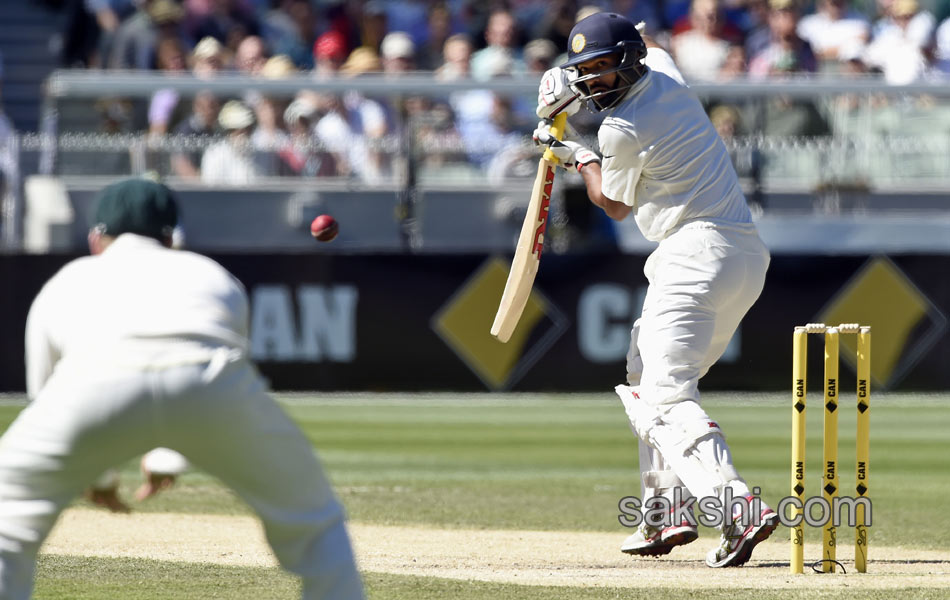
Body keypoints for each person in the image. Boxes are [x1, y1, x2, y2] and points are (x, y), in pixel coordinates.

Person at [0, 178, 364, 599]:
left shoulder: (68, 279)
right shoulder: (212, 274)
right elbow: (222, 375)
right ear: (171, 237)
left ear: (97, 239)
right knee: (317, 526)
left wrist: (97, 474)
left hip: (90, 386)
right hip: (211, 388)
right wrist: (168, 455)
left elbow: (44, 393)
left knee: (5, 525)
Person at [532, 12, 778, 568]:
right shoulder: (663, 68)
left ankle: (737, 506)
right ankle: (666, 511)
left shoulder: (622, 129)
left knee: (664, 397)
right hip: (741, 256)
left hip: (693, 256)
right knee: (646, 374)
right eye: (583, 71)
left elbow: (614, 204)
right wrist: (628, 31)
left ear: (626, 61)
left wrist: (575, 152)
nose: (591, 82)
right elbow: (655, 41)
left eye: (600, 68)